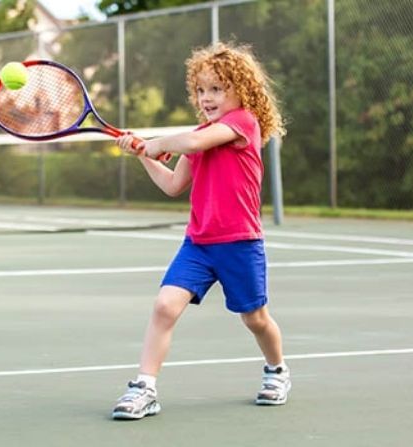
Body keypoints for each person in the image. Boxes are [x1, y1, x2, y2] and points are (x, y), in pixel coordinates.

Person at [111, 42, 289, 420]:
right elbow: (174, 185)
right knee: (164, 307)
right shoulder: (201, 135)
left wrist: (155, 142)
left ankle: (277, 371)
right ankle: (144, 388)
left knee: (255, 319)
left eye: (217, 89)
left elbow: (191, 141)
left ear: (242, 91)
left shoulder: (243, 123)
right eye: (201, 90)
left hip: (240, 243)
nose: (207, 98)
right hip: (198, 244)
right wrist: (144, 155)